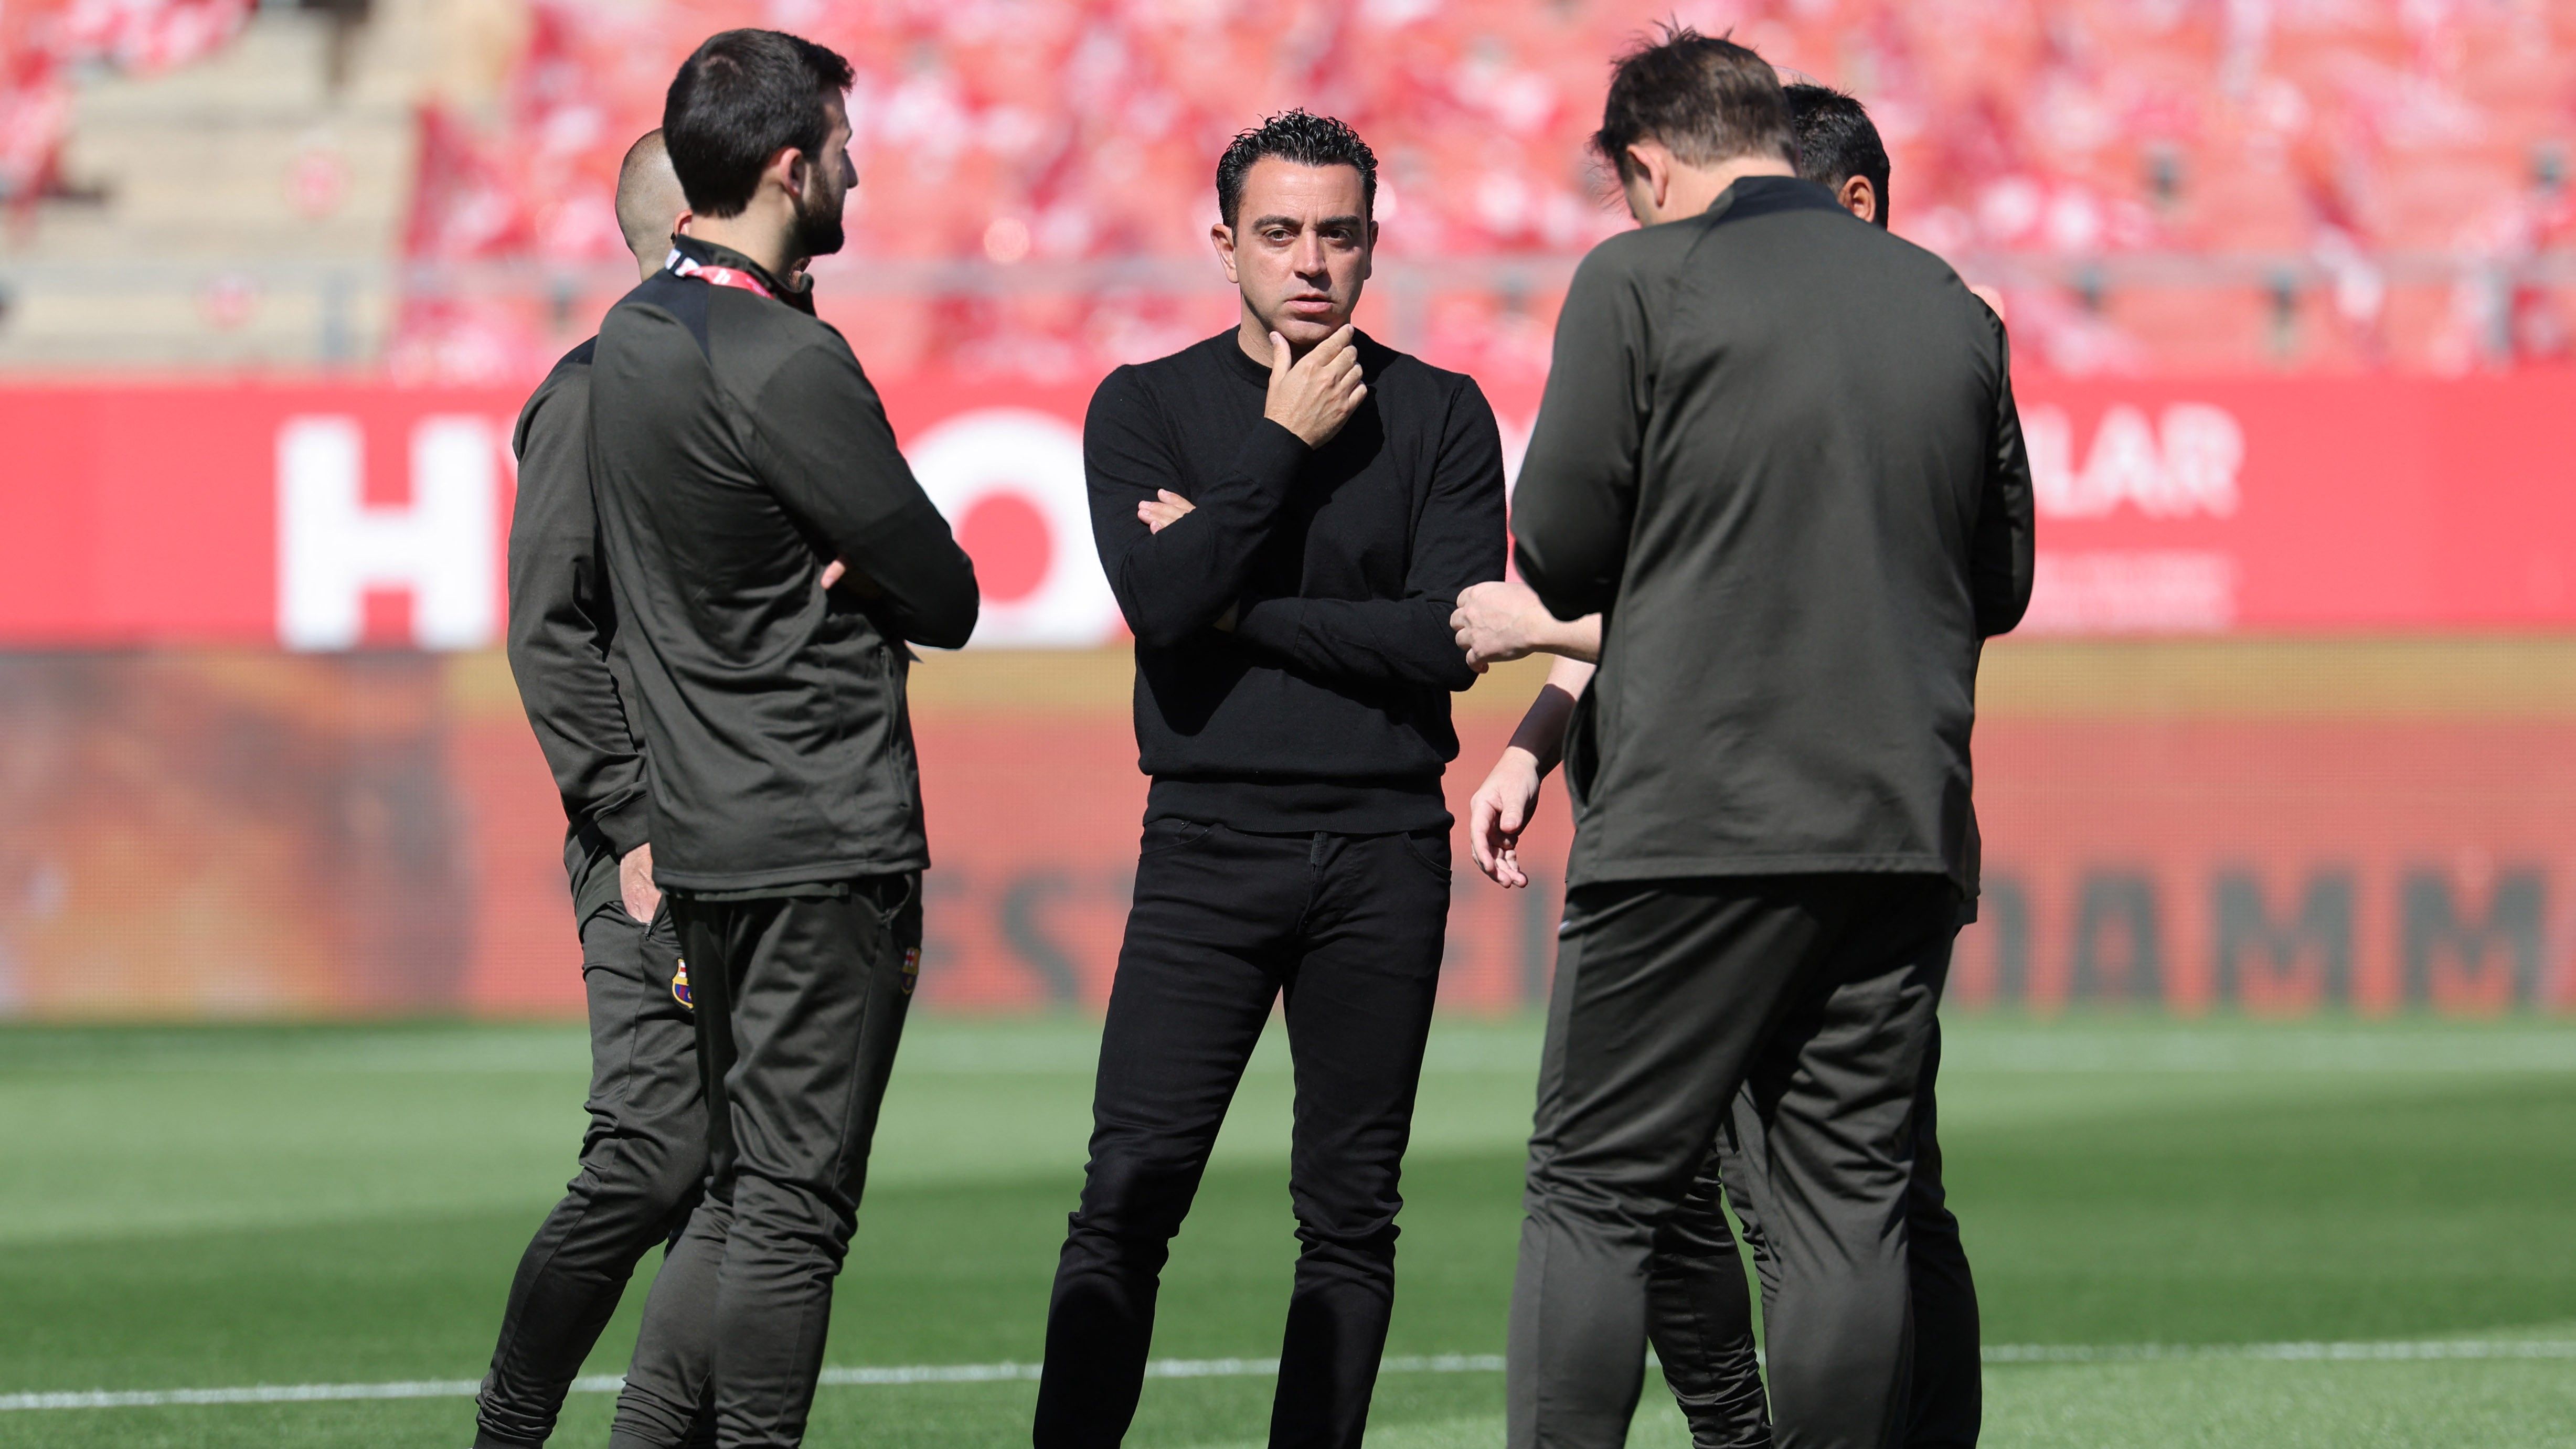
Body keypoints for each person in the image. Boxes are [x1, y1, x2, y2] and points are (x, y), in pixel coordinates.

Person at [1498, 30, 2032, 1449]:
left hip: (1692, 814)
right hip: (1897, 822)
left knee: (1594, 1185)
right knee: (1847, 1201)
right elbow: (2002, 587)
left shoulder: (1636, 278)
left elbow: (1552, 547)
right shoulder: (1946, 303)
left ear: (1645, 164)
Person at [1034, 111, 1507, 1449]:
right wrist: (1279, 444)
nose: (1311, 260)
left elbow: (1447, 640)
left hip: (1383, 856)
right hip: (1207, 845)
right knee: (1127, 1188)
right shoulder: (1144, 405)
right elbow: (1160, 599)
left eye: (1338, 233)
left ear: (1374, 243)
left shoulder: (1441, 412)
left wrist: (1241, 609)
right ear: (1224, 241)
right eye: (1281, 232)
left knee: (1350, 1213)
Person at [585, 29, 980, 1449]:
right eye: (841, 145)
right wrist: (856, 565)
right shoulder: (784, 360)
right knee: (793, 1205)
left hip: (702, 829)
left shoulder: (623, 345)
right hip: (818, 830)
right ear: (788, 163)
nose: (859, 171)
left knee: (742, 1187)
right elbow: (947, 589)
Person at [475, 128, 705, 1449]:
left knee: (749, 1181)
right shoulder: (590, 392)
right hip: (658, 835)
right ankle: (510, 1430)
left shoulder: (773, 380)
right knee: (655, 1153)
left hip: (765, 825)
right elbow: (548, 626)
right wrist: (627, 816)